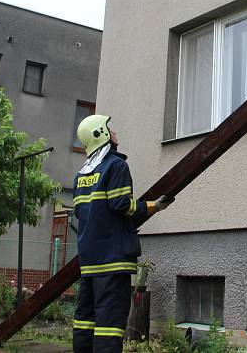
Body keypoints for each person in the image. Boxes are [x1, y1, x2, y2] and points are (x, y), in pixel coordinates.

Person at [72, 115, 173, 353]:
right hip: (112, 260)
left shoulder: (82, 175)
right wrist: (152, 206)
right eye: (110, 129)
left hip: (89, 261)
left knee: (85, 318)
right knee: (109, 322)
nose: (115, 133)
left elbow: (84, 212)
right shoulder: (115, 165)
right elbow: (121, 205)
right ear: (101, 134)